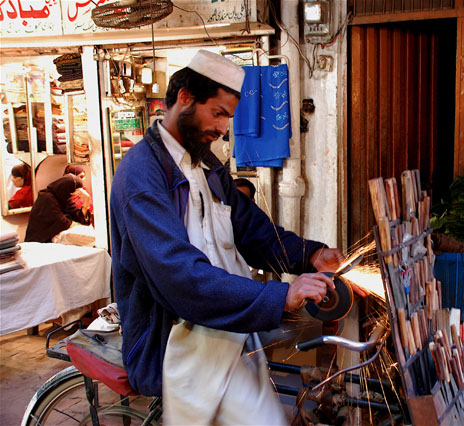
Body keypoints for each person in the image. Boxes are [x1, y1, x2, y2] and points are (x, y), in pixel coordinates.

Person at [109, 50, 348, 425]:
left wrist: (310, 255)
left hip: (227, 331)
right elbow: (181, 277)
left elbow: (250, 229)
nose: (223, 129)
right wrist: (281, 295)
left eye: (228, 118)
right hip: (181, 345)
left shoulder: (205, 163)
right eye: (218, 113)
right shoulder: (142, 176)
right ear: (185, 97)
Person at [24, 174, 92, 242]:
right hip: (38, 240)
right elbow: (62, 223)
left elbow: (80, 218)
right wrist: (70, 220)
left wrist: (87, 200)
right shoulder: (46, 197)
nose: (74, 194)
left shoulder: (64, 197)